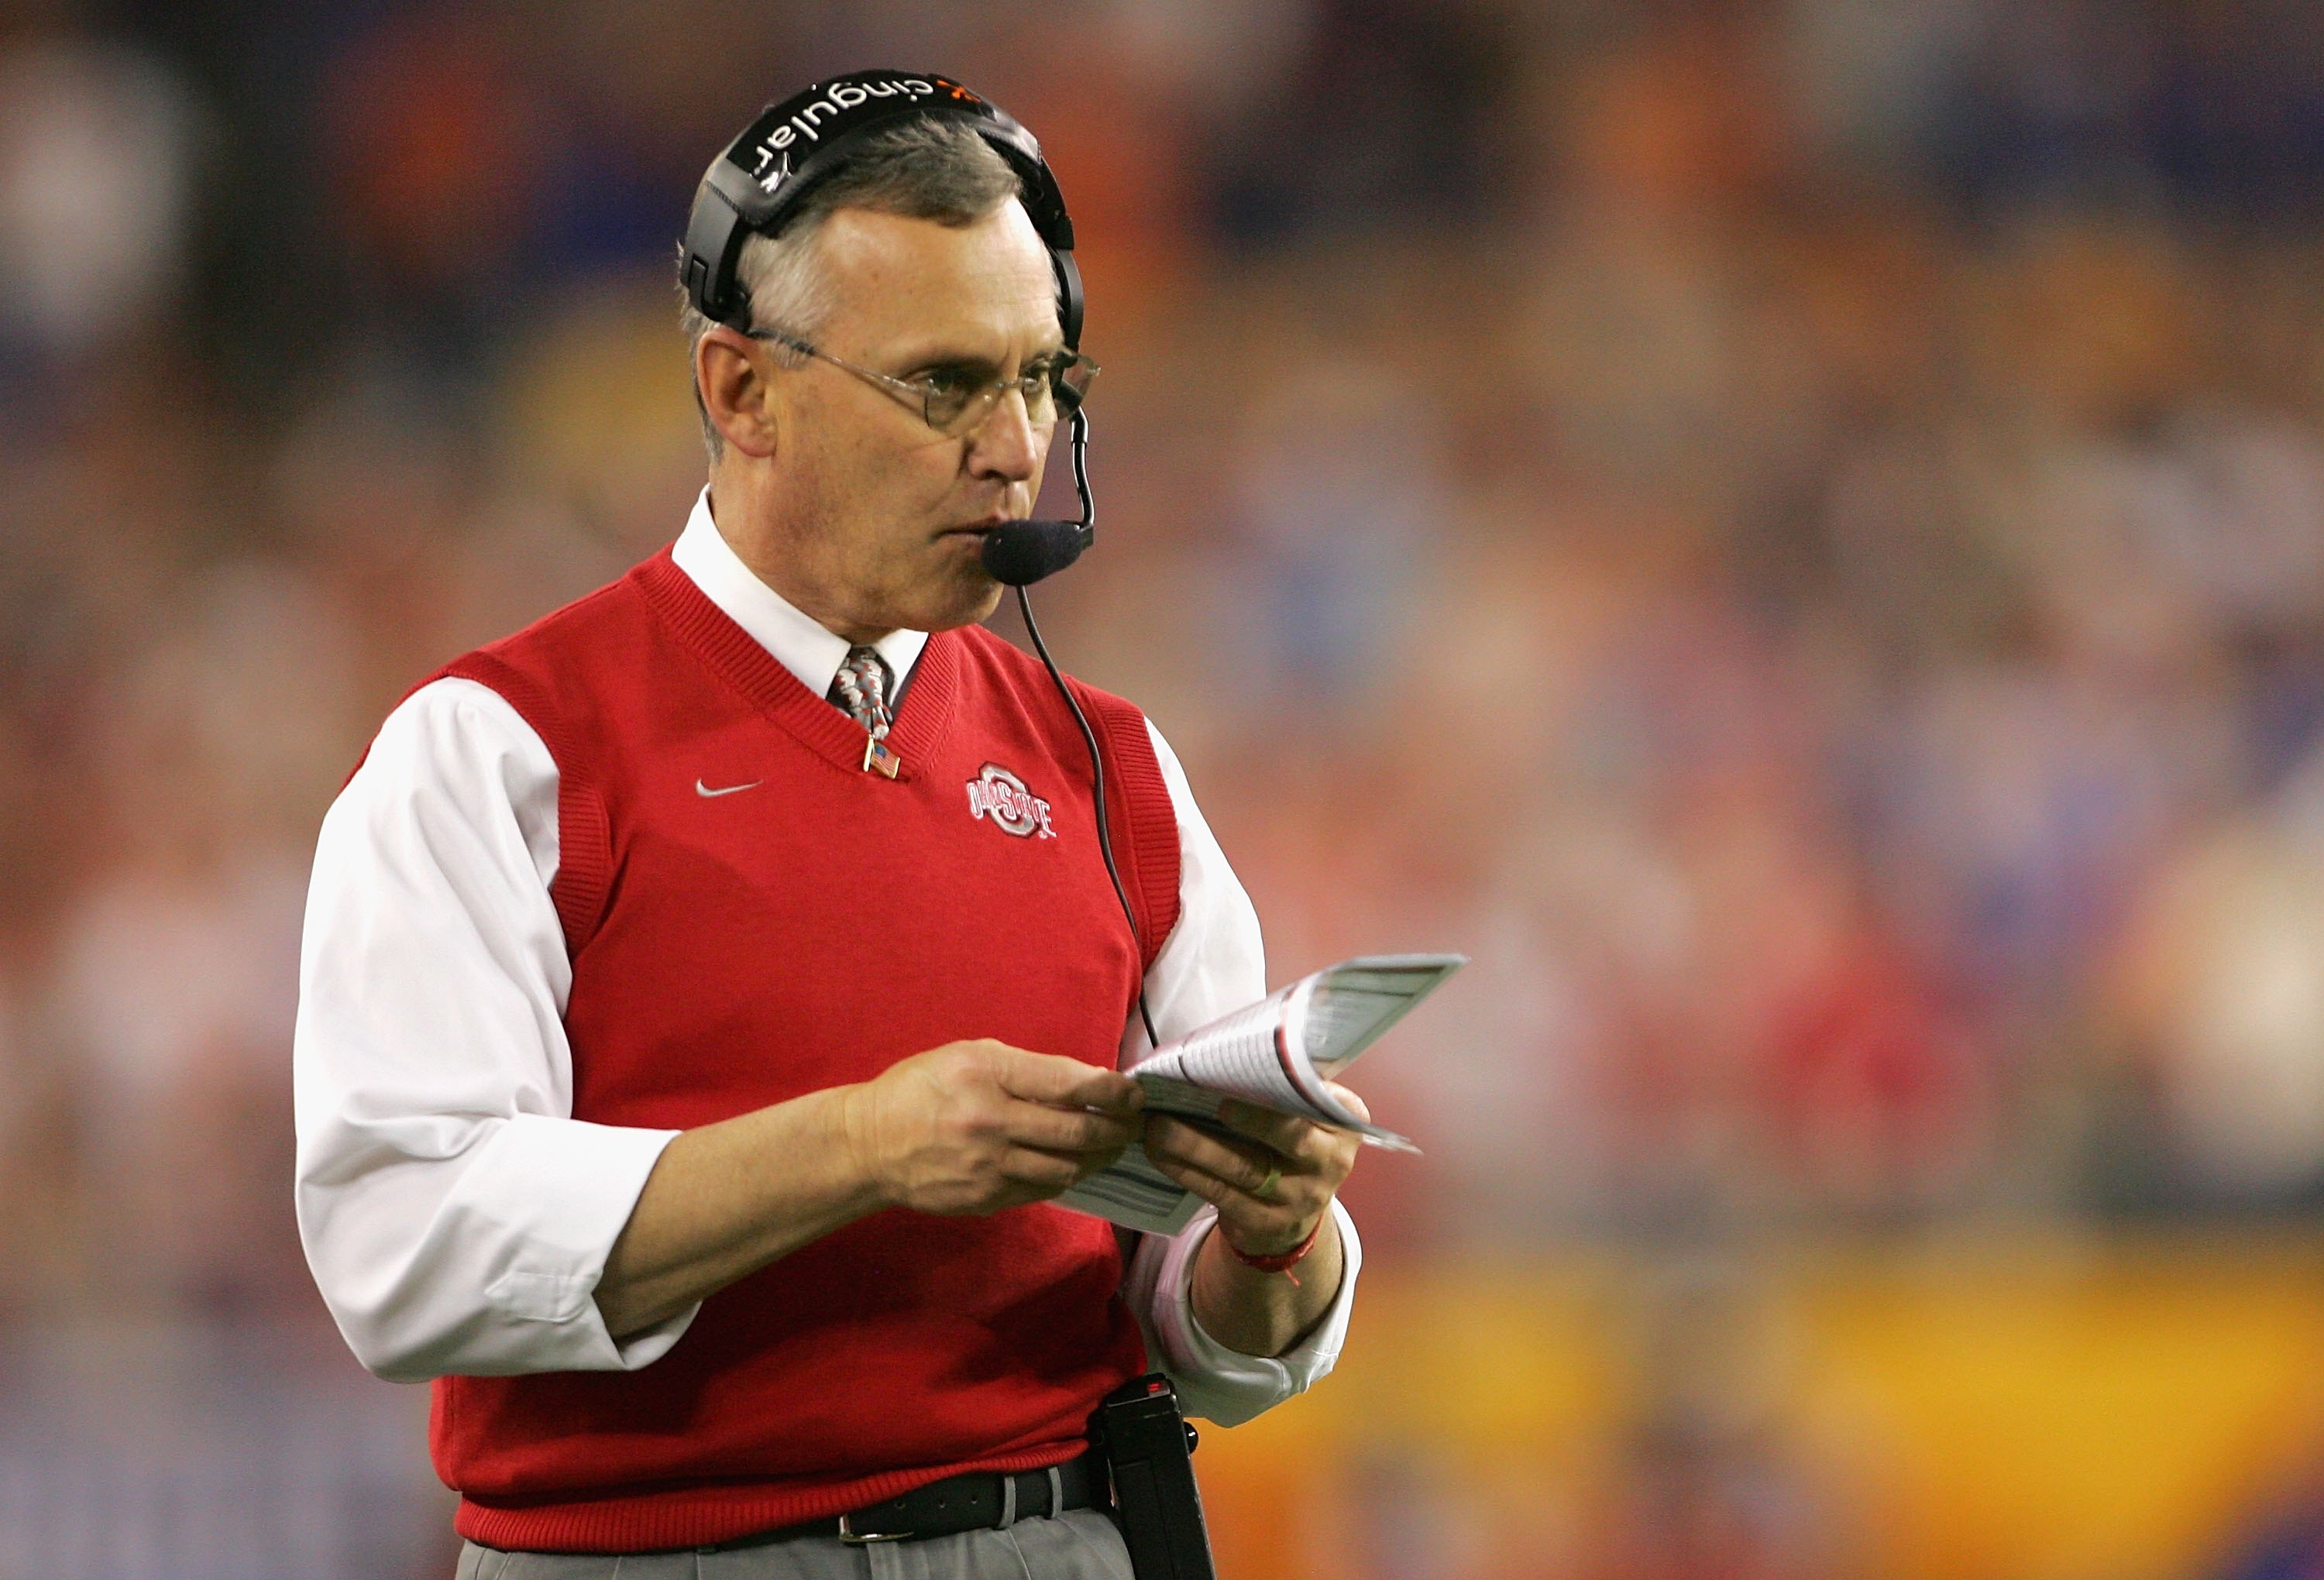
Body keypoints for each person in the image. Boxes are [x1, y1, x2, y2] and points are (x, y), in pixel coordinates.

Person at [294, 87, 1369, 1578]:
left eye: (1044, 379)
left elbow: (1211, 1347)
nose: (1015, 451)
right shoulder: (498, 750)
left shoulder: (1114, 768)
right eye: (944, 385)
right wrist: (861, 1144)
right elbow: (400, 1252)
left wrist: (1277, 1239)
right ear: (742, 392)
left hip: (1059, 1538)